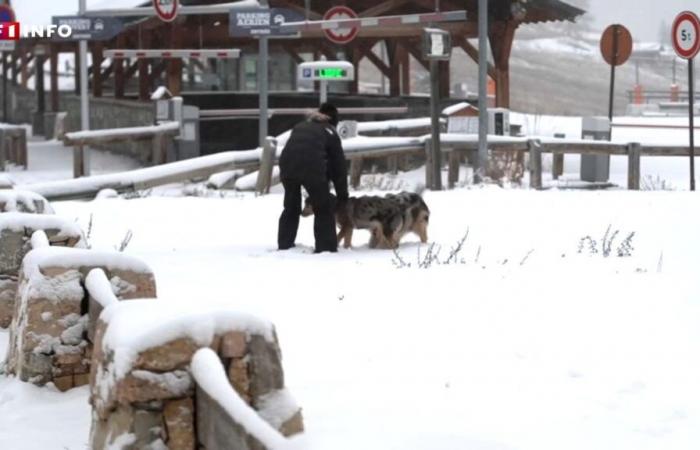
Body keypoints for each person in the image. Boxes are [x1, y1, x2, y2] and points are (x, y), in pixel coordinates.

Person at [278, 103, 348, 253]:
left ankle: (284, 244)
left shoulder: (301, 126)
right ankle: (326, 248)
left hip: (287, 166)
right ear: (334, 120)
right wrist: (343, 196)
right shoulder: (330, 132)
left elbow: (296, 149)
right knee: (323, 207)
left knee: (291, 206)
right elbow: (339, 167)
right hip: (312, 168)